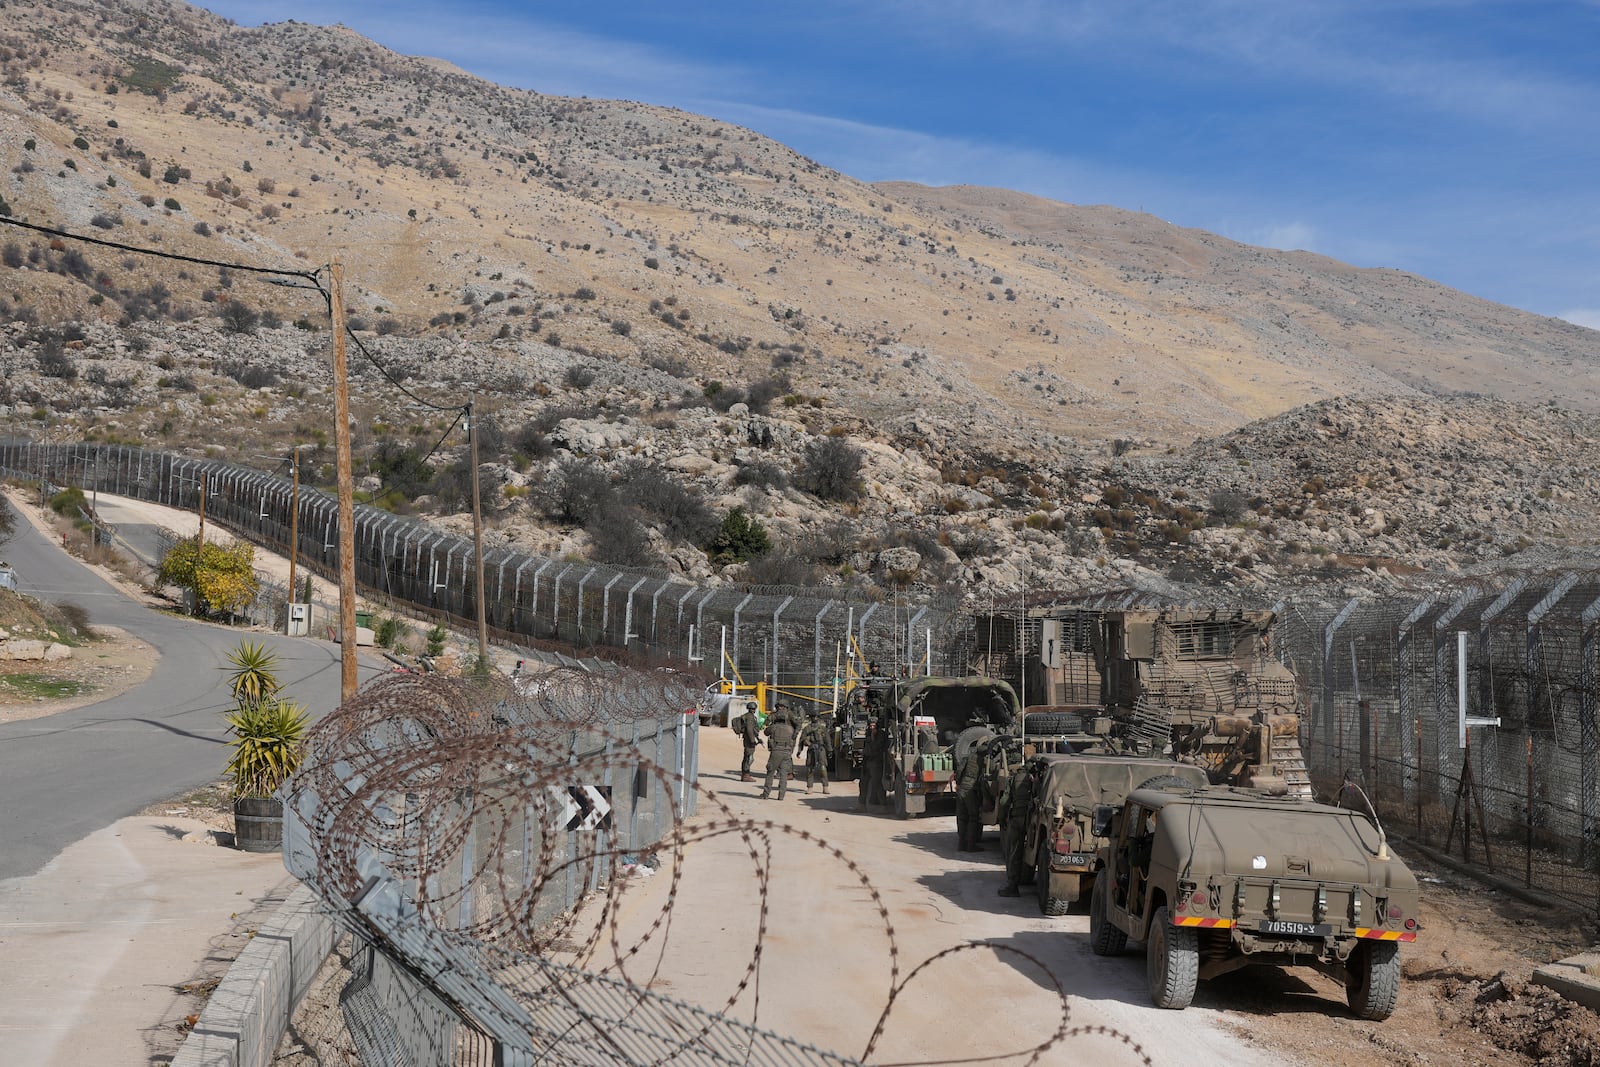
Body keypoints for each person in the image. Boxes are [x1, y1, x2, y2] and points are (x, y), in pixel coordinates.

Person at [997, 761, 1037, 897]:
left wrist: (1001, 818)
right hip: (1034, 820)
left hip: (1017, 818)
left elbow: (1004, 801)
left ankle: (1012, 886)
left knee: (1014, 851)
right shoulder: (1039, 778)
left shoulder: (1015, 778)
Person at [954, 733, 986, 852]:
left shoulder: (968, 757)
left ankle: (961, 844)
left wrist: (958, 783)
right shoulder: (983, 761)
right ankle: (971, 845)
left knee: (962, 817)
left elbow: (959, 771)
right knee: (973, 817)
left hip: (962, 788)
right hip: (971, 790)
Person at [760, 706, 799, 800]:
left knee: (770, 772)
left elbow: (765, 732)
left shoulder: (774, 727)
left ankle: (766, 794)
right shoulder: (790, 729)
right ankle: (781, 796)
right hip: (787, 752)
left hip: (776, 751)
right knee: (784, 774)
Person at [797, 711, 831, 793]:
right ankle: (810, 787)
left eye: (816, 717)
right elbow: (801, 740)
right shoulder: (807, 728)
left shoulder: (822, 728)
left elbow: (827, 740)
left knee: (823, 768)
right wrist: (799, 751)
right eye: (813, 717)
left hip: (821, 749)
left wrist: (830, 750)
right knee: (810, 769)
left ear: (818, 718)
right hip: (811, 749)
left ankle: (825, 787)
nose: (814, 718)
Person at [859, 719, 888, 810]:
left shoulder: (881, 735)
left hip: (877, 762)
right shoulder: (869, 733)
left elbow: (875, 748)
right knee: (863, 783)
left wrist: (872, 737)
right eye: (870, 726)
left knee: (878, 784)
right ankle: (861, 805)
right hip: (868, 762)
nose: (872, 728)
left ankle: (883, 805)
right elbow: (867, 746)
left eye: (873, 726)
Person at [734, 700, 762, 782]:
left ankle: (745, 774)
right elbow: (750, 730)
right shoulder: (750, 717)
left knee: (747, 756)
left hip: (748, 739)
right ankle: (746, 775)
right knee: (749, 757)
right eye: (754, 708)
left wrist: (757, 738)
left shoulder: (748, 716)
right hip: (749, 740)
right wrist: (753, 740)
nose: (754, 710)